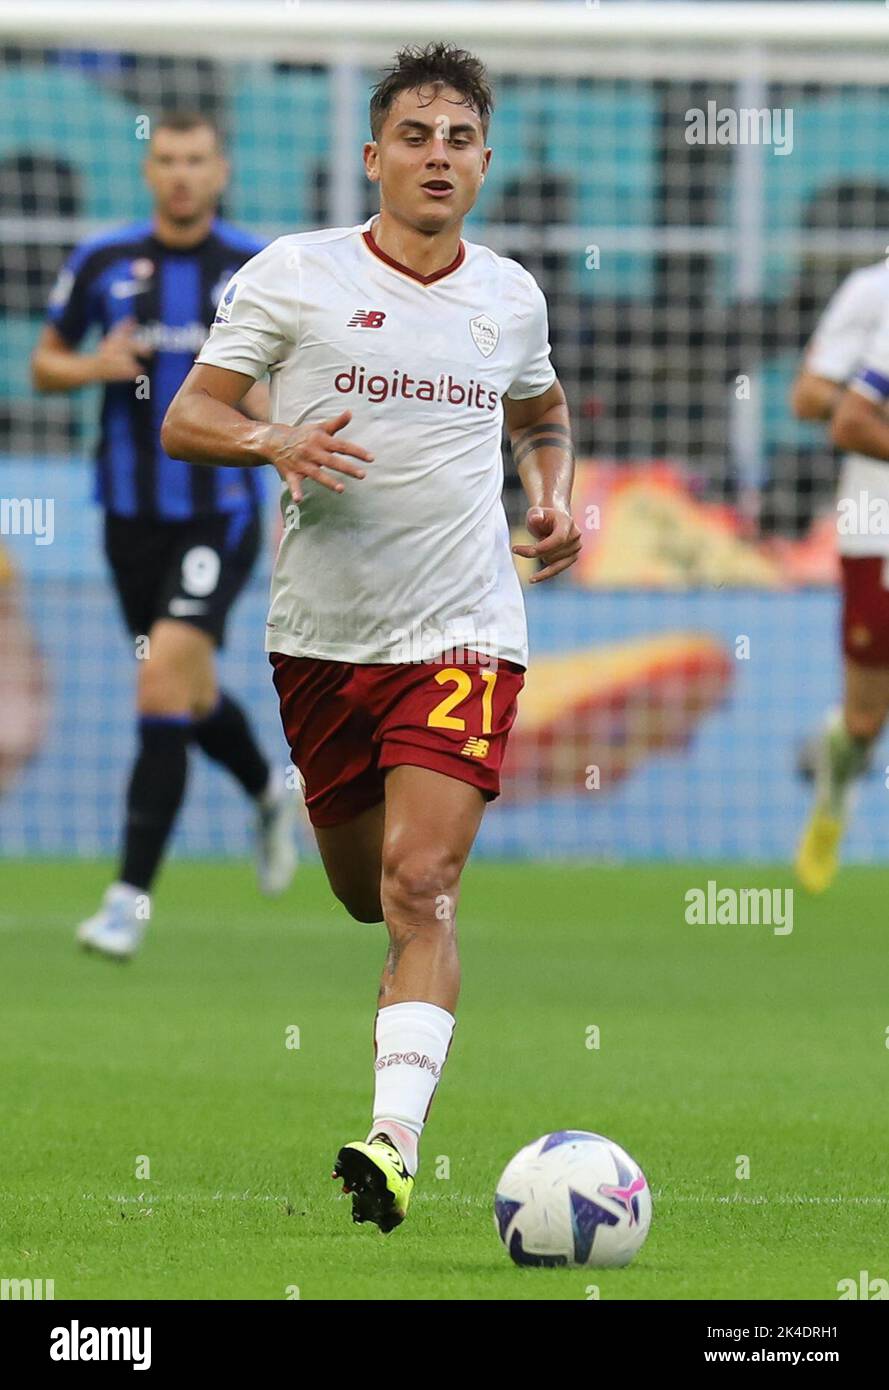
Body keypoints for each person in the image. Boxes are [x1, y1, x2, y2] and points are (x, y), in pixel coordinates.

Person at [162, 44, 581, 1231]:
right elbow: (190, 416)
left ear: (484, 162)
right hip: (320, 641)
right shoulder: (293, 275)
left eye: (458, 139)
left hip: (463, 630)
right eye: (414, 136)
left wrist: (554, 494)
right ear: (372, 156)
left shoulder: (509, 296)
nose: (437, 156)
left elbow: (541, 414)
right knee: (363, 895)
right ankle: (401, 1014)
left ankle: (393, 1140)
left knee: (421, 881)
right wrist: (272, 443)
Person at [31, 112, 298, 960]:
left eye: (197, 159)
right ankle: (263, 788)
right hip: (126, 516)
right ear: (149, 170)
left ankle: (125, 903)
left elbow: (273, 385)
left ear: (221, 170)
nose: (182, 174)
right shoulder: (103, 261)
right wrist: (91, 368)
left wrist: (277, 437)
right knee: (180, 689)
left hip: (217, 510)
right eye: (167, 159)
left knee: (159, 688)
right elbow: (43, 364)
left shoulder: (255, 268)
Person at [792, 258, 889, 890]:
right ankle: (834, 783)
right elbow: (812, 400)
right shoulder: (872, 289)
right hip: (877, 522)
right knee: (864, 720)